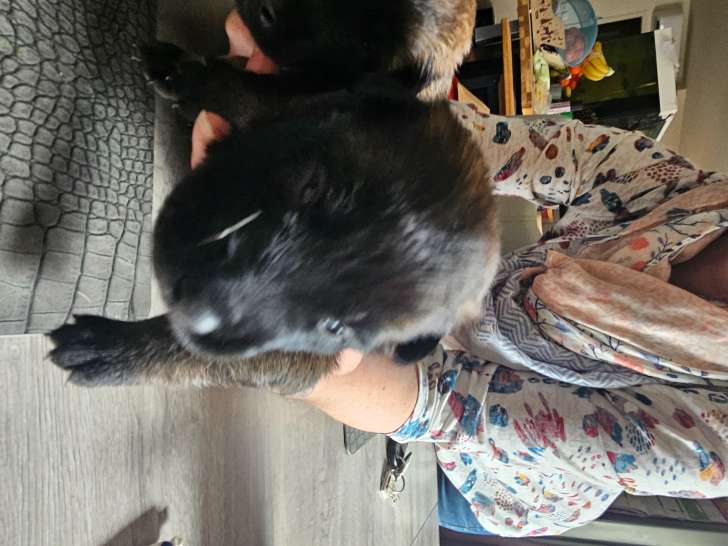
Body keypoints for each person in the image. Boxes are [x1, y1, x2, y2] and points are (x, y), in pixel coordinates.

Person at [188, 11, 728, 538]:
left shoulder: (715, 441)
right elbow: (450, 144)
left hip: (499, 484)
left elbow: (444, 402)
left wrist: (288, 336)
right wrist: (295, 93)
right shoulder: (677, 189)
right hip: (467, 325)